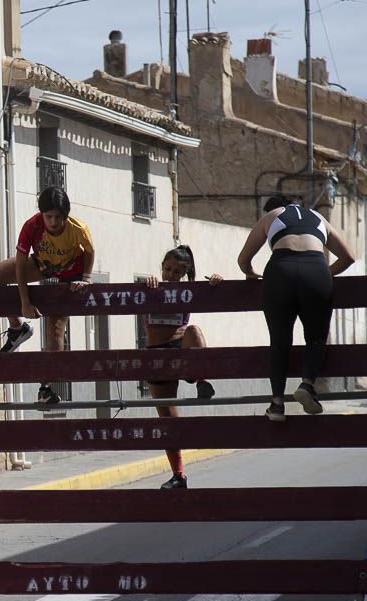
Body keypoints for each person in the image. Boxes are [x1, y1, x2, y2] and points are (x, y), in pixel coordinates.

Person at [237, 194, 355, 422]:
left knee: (280, 341)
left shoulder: (272, 215)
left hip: (280, 271)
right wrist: (321, 276)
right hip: (317, 270)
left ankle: (277, 404)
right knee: (316, 338)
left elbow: (243, 259)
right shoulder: (319, 217)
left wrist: (250, 273)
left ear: (273, 208)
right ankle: (307, 384)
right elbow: (348, 257)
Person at [0, 186, 95, 403]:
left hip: (71, 274)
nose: (53, 222)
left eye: (58, 217)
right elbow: (20, 267)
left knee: (55, 330)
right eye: (48, 216)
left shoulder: (78, 228)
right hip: (44, 265)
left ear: (66, 216)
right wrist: (24, 303)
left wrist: (86, 278)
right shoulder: (32, 226)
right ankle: (17, 328)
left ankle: (46, 388)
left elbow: (89, 251)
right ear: (42, 215)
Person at [142, 245, 221, 489]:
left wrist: (218, 280)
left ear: (185, 274)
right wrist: (148, 283)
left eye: (177, 272)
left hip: (179, 346)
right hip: (157, 354)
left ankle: (202, 380)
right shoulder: (151, 287)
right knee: (167, 420)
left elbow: (216, 293)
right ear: (161, 267)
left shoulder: (190, 290)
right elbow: (132, 294)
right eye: (167, 269)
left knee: (194, 331)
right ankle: (179, 475)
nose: (170, 275)